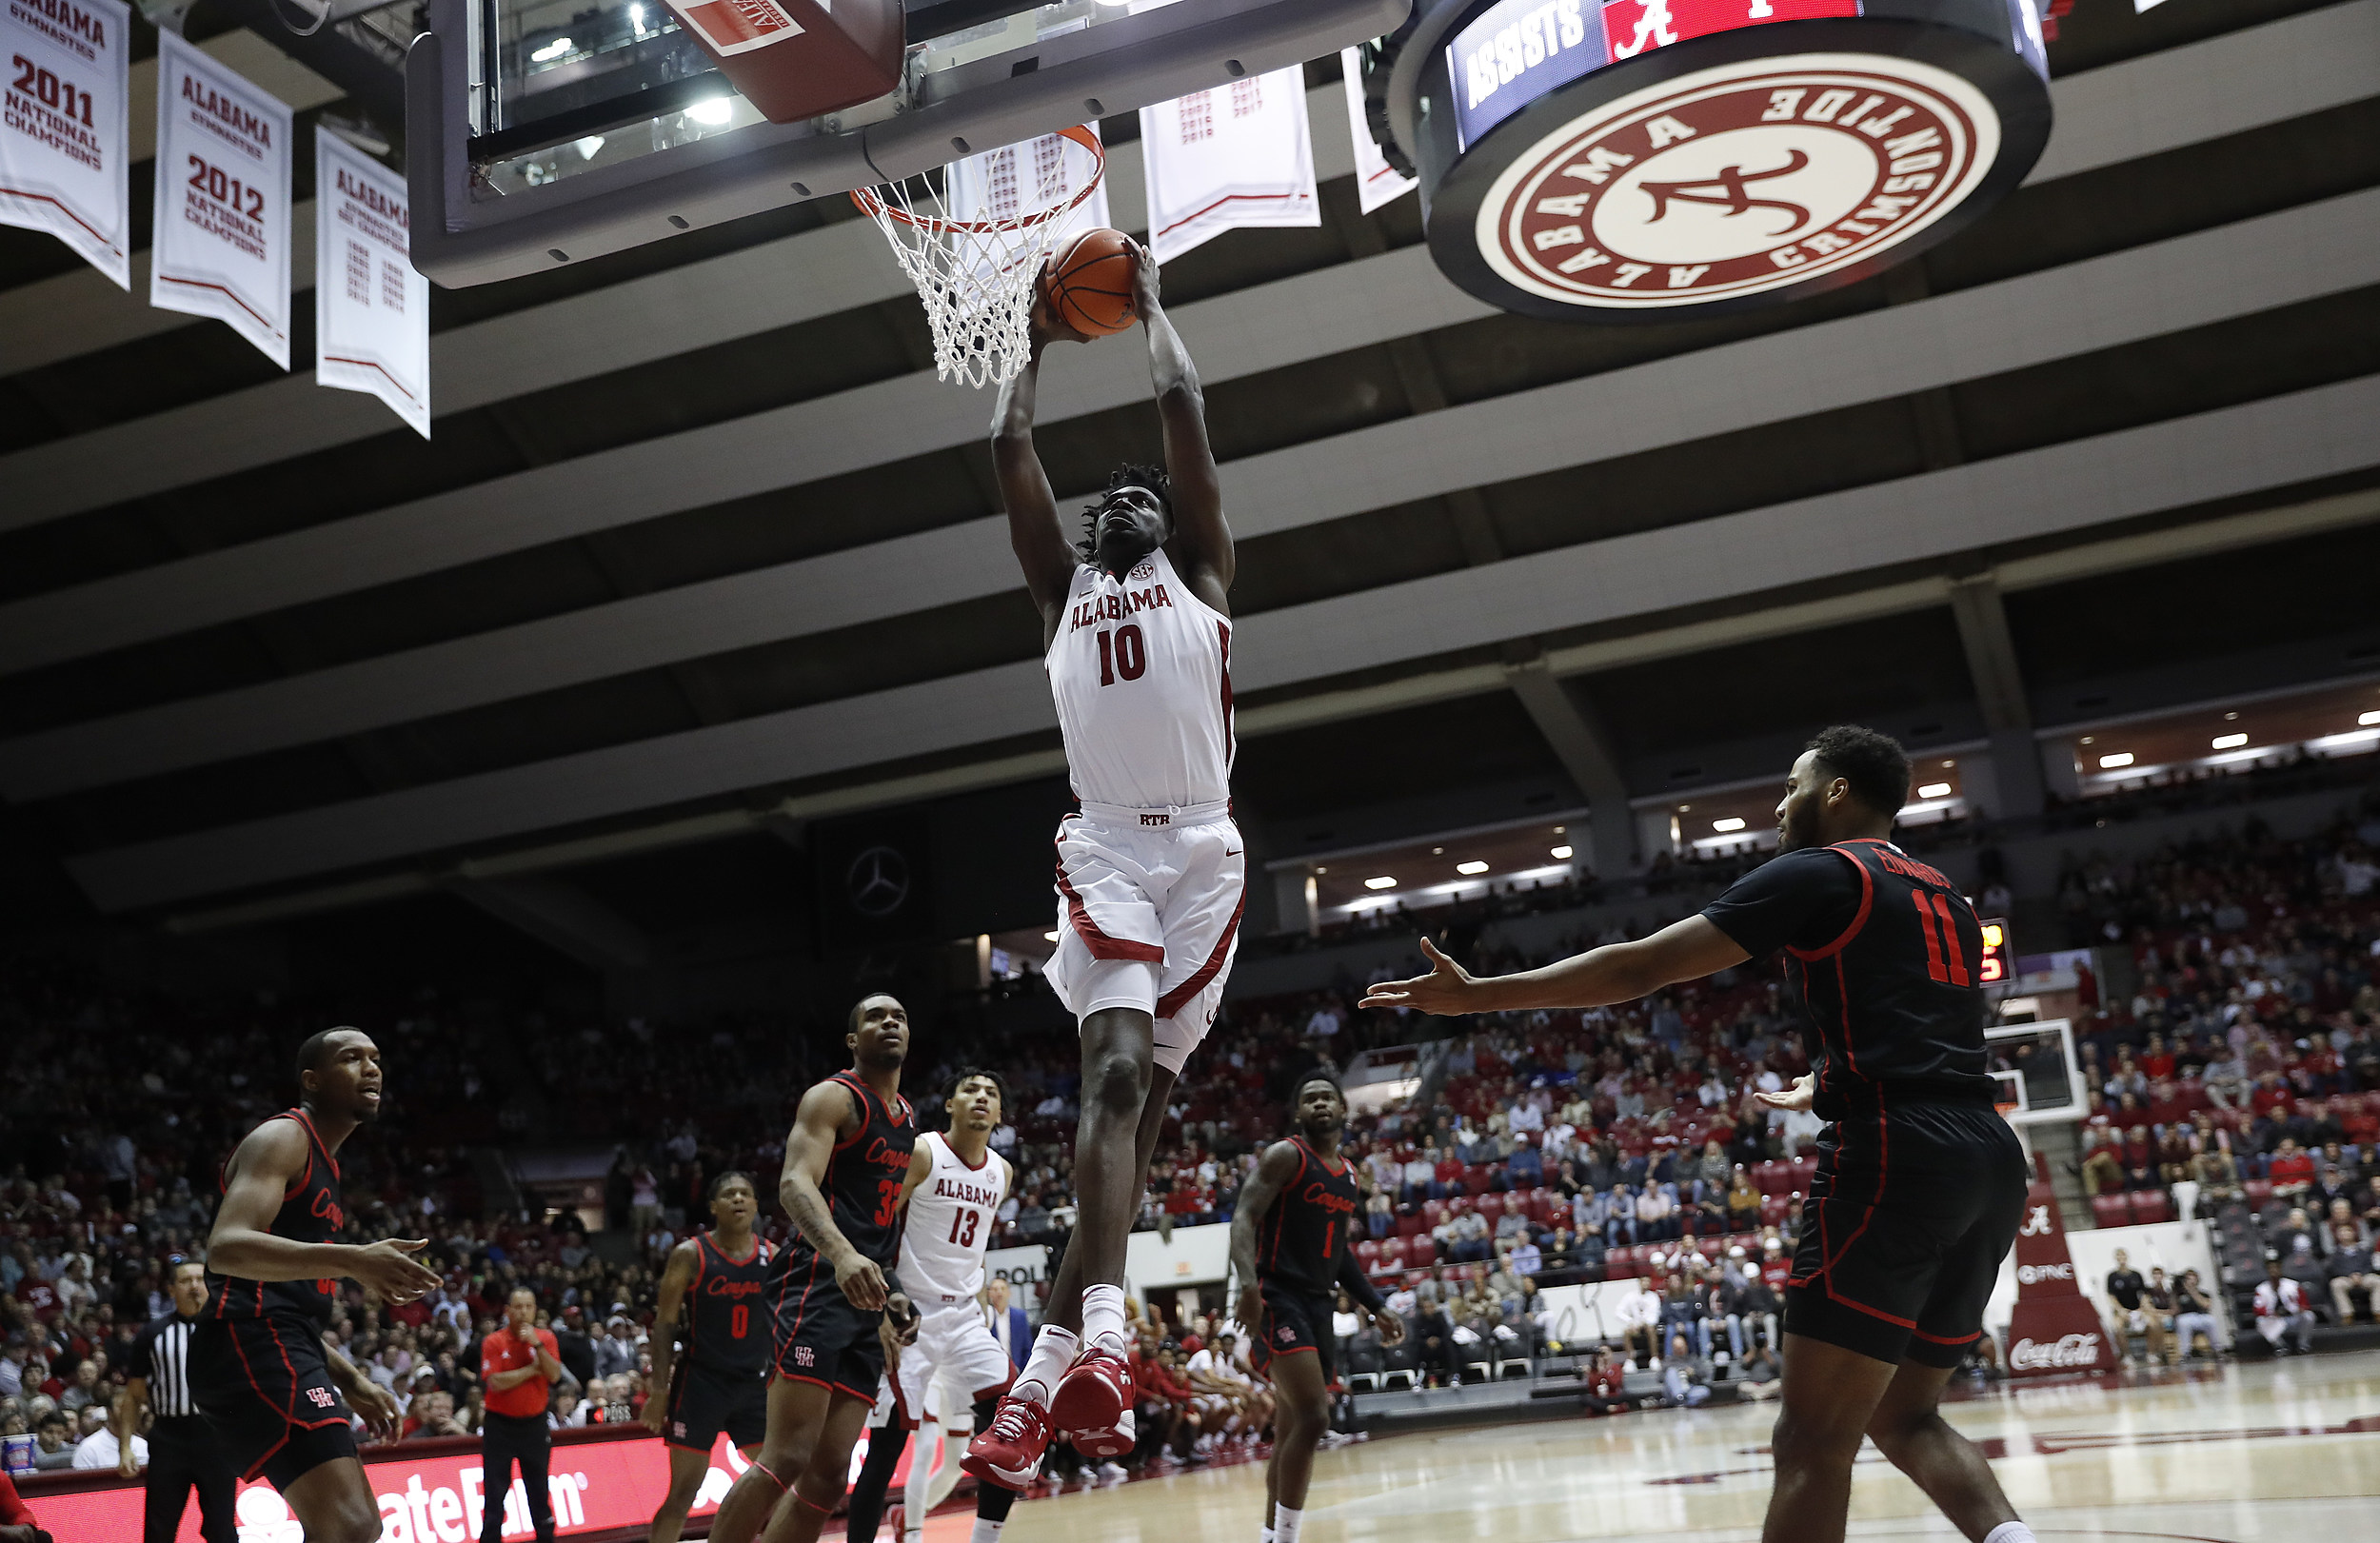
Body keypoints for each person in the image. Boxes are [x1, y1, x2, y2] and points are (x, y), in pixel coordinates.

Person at [1365, 726, 2038, 1543]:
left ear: (1835, 792)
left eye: (1793, 785)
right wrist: (1826, 1080)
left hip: (1899, 1149)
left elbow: (1639, 966)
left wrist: (1481, 996)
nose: (1780, 803)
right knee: (1906, 1417)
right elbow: (1927, 1031)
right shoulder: (1947, 896)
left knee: (1809, 1440)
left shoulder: (1826, 870)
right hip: (1991, 1154)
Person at [968, 240, 1243, 1485]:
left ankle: (1033, 1392)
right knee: (1117, 1082)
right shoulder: (1060, 593)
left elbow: (1182, 414)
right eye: (1105, 501)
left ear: (1175, 523)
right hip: (1111, 851)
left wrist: (1153, 310)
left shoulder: (1203, 573)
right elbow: (1007, 458)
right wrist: (1029, 340)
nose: (1118, 501)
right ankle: (1110, 1333)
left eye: (1140, 495)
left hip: (1206, 853)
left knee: (1134, 1139)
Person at [191, 1028, 438, 1543]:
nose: (371, 1068)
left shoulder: (325, 1161)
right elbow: (226, 1247)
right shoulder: (285, 1137)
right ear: (313, 1080)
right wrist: (353, 1259)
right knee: (347, 1526)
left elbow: (285, 1308)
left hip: (278, 1340)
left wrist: (351, 1379)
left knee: (357, 1526)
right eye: (351, 1059)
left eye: (375, 1058)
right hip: (248, 1343)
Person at [706, 995, 918, 1543]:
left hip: (865, 1300)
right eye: (874, 1017)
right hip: (817, 1283)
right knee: (788, 1456)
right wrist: (844, 1255)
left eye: (897, 1016)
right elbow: (794, 1184)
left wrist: (890, 1290)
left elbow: (879, 1219)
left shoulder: (907, 1118)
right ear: (853, 1040)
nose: (889, 1022)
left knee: (828, 1475)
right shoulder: (833, 1098)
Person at [844, 1070, 1023, 1543]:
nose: (981, 1098)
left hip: (965, 1317)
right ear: (950, 1105)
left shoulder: (1001, 1172)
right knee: (887, 1450)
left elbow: (976, 1245)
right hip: (912, 1314)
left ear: (1000, 1112)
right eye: (970, 1090)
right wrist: (885, 1301)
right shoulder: (923, 1152)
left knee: (1013, 1423)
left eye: (991, 1093)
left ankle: (984, 1538)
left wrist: (980, 1300)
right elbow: (880, 1224)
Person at [1230, 1075, 1407, 1543]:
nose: (1320, 1103)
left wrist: (1375, 1304)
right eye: (1310, 1098)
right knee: (1314, 1417)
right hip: (1277, 1294)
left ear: (1343, 1110)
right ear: (1298, 1114)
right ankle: (1286, 1538)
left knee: (1292, 1427)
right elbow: (1244, 1216)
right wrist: (1248, 1286)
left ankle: (1271, 1534)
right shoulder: (1286, 1155)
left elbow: (1340, 1254)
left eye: (1328, 1097)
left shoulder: (1348, 1175)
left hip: (1318, 1302)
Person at [645, 1172, 775, 1543]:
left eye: (745, 1193)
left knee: (780, 1483)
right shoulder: (690, 1254)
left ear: (754, 1205)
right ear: (714, 1207)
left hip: (752, 1385)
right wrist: (658, 1392)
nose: (738, 1199)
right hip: (702, 1384)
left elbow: (785, 1319)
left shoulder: (772, 1255)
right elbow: (664, 1327)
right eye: (729, 1194)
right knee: (684, 1492)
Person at [116, 1254, 236, 1543]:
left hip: (216, 1439)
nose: (194, 1286)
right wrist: (125, 1448)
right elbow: (132, 1396)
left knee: (222, 1530)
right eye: (185, 1280)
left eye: (199, 1280)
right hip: (169, 1440)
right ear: (172, 1289)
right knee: (159, 1530)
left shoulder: (228, 1330)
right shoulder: (152, 1334)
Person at [479, 1287, 563, 1543]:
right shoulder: (493, 1341)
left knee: (539, 1490)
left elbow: (554, 1375)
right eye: (518, 1307)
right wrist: (531, 1370)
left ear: (535, 1310)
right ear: (508, 1311)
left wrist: (536, 1346)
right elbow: (495, 1383)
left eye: (528, 1306)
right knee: (495, 1492)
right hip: (499, 1426)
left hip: (534, 1426)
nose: (523, 1312)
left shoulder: (546, 1339)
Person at [2251, 1258, 2315, 1355]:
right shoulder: (2261, 1289)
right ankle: (2280, 1347)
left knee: (2309, 1316)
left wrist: (2300, 1308)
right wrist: (2271, 1313)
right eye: (2270, 1269)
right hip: (2275, 1320)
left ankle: (2303, 1345)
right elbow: (2258, 1309)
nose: (2273, 1271)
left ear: (2280, 1269)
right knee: (2260, 1321)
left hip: (2293, 1318)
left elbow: (2304, 1304)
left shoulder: (2293, 1285)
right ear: (2267, 1271)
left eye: (2276, 1268)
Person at [2170, 1271, 2223, 1357]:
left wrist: (2192, 1291)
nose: (2191, 1281)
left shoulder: (2204, 1293)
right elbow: (2175, 1310)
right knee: (2182, 1322)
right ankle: (2185, 1353)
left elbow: (2206, 1305)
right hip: (2186, 1316)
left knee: (2211, 1320)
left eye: (2193, 1278)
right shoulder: (2179, 1294)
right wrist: (2174, 1292)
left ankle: (2217, 1350)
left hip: (2201, 1316)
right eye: (2188, 1279)